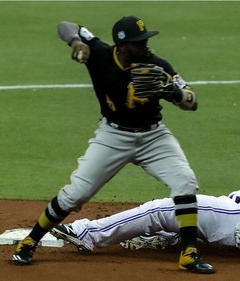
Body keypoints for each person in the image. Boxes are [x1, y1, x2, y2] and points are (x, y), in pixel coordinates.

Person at [12, 16, 214, 274]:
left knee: (185, 180)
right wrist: (76, 41)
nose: (145, 46)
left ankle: (189, 253)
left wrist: (173, 92)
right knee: (76, 194)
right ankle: (30, 241)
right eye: (138, 43)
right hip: (112, 136)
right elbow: (65, 25)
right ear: (121, 45)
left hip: (154, 137)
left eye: (145, 41)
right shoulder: (99, 53)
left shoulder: (157, 65)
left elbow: (192, 101)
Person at [50, 128, 240, 257]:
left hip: (235, 217)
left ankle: (87, 233)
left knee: (163, 209)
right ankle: (160, 240)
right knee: (183, 222)